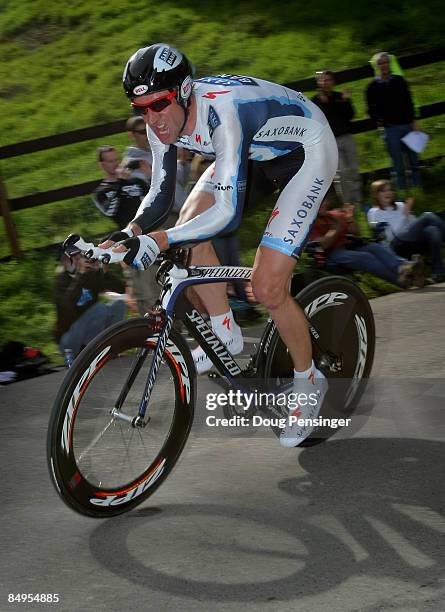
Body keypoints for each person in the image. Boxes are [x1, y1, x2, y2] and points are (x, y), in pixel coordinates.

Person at [100, 43, 339, 447]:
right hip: (253, 151)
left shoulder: (223, 111)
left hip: (306, 152)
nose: (152, 119)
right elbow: (159, 194)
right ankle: (223, 331)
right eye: (141, 109)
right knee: (189, 230)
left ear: (185, 91)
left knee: (267, 288)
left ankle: (310, 380)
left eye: (158, 105)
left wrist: (158, 240)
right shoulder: (162, 120)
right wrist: (133, 231)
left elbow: (226, 214)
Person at [309, 197, 424, 288]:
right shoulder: (309, 223)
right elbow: (322, 246)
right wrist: (337, 227)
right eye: (318, 202)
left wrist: (350, 219)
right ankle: (404, 279)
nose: (322, 204)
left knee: (375, 247)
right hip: (330, 255)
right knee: (365, 257)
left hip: (348, 246)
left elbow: (356, 232)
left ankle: (404, 268)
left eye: (323, 201)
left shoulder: (334, 214)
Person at [54, 245, 127, 361]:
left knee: (119, 305)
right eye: (75, 258)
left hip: (90, 331)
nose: (79, 261)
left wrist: (103, 270)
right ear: (64, 261)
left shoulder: (90, 275)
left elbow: (121, 289)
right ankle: (91, 353)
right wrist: (80, 275)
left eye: (80, 257)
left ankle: (110, 350)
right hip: (70, 338)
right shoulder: (61, 280)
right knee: (99, 308)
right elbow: (66, 307)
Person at [368, 179, 445, 283]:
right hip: (396, 245)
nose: (388, 193)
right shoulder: (373, 212)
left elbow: (415, 225)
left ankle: (438, 272)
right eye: (383, 191)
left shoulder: (400, 205)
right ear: (376, 195)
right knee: (427, 215)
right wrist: (404, 216)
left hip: (411, 241)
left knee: (432, 230)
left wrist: (408, 214)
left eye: (390, 190)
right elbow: (385, 232)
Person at [366, 52, 421, 190]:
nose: (384, 65)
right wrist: (378, 122)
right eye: (380, 63)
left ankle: (417, 188)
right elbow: (370, 108)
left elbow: (409, 101)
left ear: (389, 64)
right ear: (376, 66)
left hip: (408, 125)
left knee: (414, 160)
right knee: (397, 163)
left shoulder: (400, 81)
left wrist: (414, 121)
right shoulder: (372, 87)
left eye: (386, 62)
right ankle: (401, 191)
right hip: (390, 128)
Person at [312, 70, 362, 205]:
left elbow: (350, 115)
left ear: (333, 82)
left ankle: (357, 201)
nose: (325, 82)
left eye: (327, 79)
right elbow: (316, 122)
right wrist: (323, 104)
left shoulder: (340, 96)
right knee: (342, 172)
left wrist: (345, 101)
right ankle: (348, 203)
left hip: (346, 137)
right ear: (318, 83)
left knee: (354, 168)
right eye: (322, 80)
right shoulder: (315, 101)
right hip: (330, 141)